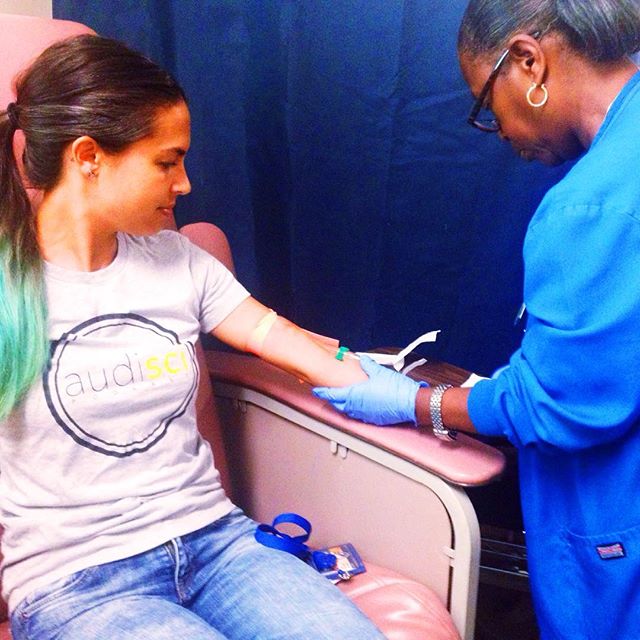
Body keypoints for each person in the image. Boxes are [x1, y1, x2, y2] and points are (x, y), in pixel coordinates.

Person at [0, 34, 384, 640]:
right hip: (76, 583)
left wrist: (414, 398)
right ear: (88, 157)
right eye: (166, 161)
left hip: (217, 545)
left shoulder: (177, 259)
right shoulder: (8, 289)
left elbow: (268, 331)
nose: (184, 184)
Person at [313, 1, 640, 638]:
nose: (502, 133)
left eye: (488, 107)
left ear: (528, 60)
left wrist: (419, 403)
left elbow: (559, 408)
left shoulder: (591, 206)